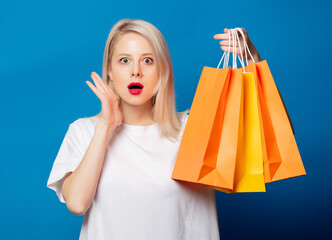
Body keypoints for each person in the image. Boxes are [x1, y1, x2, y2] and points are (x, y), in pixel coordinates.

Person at [46, 18, 262, 240]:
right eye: (124, 60)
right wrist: (106, 126)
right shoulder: (85, 131)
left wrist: (251, 59)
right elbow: (77, 203)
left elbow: (269, 141)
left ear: (162, 69)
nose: (136, 71)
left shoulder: (194, 130)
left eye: (148, 60)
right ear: (109, 70)